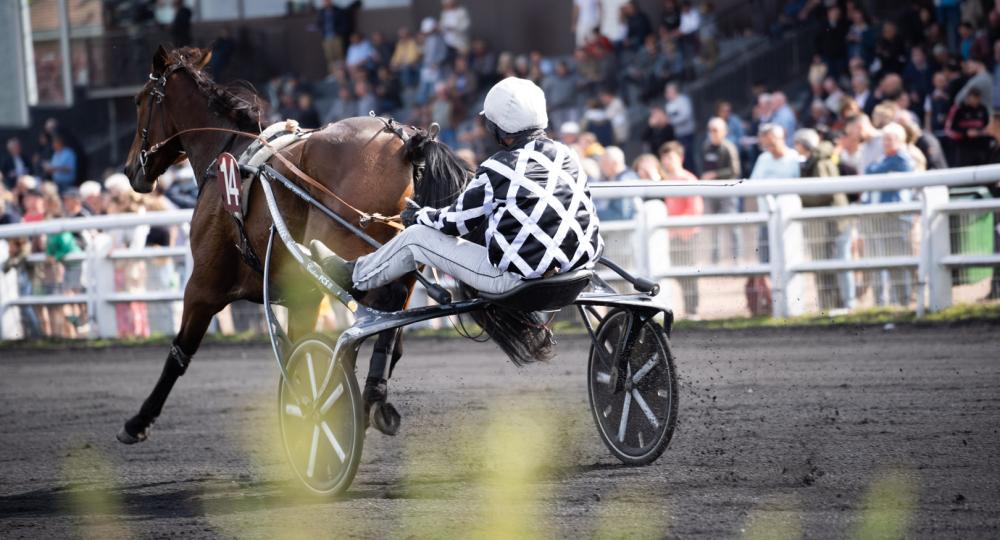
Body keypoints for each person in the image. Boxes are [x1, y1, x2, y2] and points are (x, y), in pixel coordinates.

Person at [862, 122, 914, 307]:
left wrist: (874, 170)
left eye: (890, 139)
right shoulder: (883, 158)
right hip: (878, 216)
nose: (886, 142)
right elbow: (869, 172)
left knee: (897, 260)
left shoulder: (902, 159)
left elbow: (873, 172)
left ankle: (901, 300)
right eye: (884, 139)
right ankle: (882, 303)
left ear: (901, 140)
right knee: (877, 260)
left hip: (895, 217)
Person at [659, 141, 703, 318]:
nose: (667, 161)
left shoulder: (688, 180)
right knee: (678, 274)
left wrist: (680, 228)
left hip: (686, 235)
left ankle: (693, 311)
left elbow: (695, 209)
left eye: (670, 157)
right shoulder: (666, 181)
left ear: (681, 158)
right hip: (672, 235)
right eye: (664, 158)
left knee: (688, 276)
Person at [701, 117, 741, 263]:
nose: (712, 133)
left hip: (727, 193)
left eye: (715, 130)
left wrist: (715, 174)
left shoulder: (729, 148)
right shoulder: (706, 146)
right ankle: (715, 259)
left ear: (724, 132)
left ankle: (736, 258)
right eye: (710, 130)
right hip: (711, 192)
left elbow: (735, 170)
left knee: (732, 225)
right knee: (713, 225)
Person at [594, 146, 638, 221]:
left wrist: (591, 214)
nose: (601, 166)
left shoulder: (624, 181)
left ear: (614, 163)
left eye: (604, 163)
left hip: (624, 230)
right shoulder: (625, 177)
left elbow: (622, 215)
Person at [316, 0, 362, 67]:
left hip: (336, 36)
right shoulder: (322, 11)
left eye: (327, 1)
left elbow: (344, 24)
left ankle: (342, 73)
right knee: (330, 57)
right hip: (326, 37)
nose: (326, 3)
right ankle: (333, 74)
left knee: (339, 56)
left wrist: (339, 33)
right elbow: (320, 23)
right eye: (324, 1)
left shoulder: (337, 10)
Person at [664, 83, 696, 171]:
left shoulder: (683, 100)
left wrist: (672, 121)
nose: (667, 94)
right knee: (682, 158)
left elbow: (686, 115)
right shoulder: (669, 105)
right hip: (678, 135)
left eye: (668, 92)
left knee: (689, 157)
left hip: (687, 133)